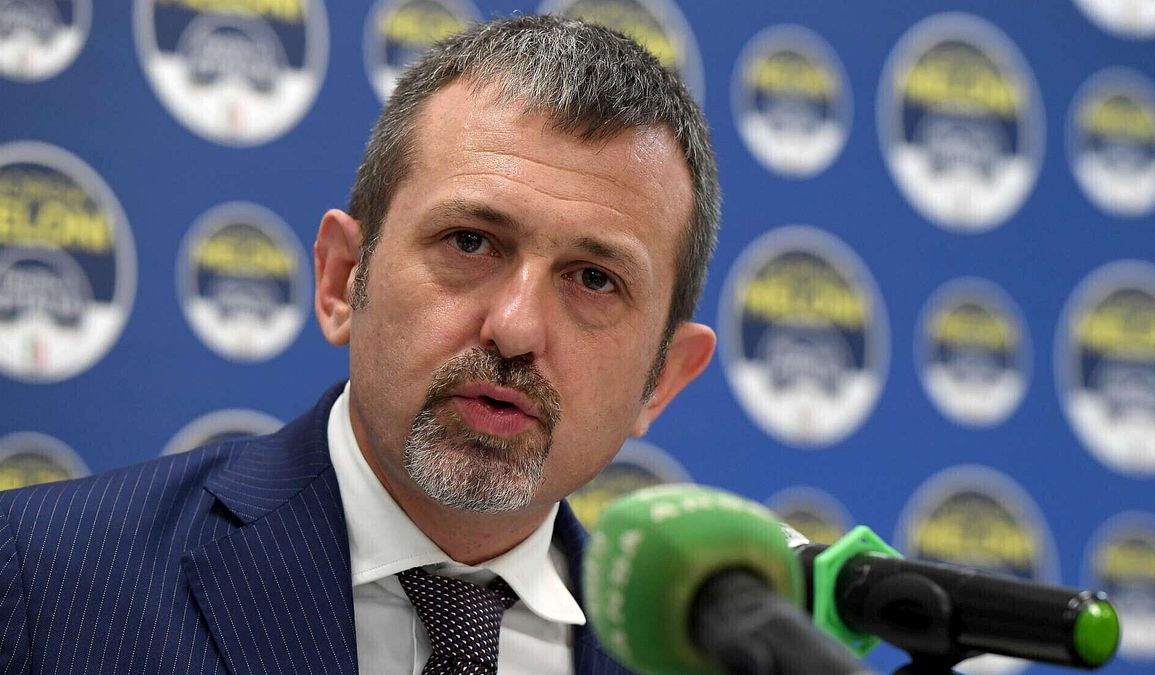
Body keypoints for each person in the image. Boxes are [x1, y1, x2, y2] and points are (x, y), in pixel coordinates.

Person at [0, 14, 719, 675]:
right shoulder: (45, 576)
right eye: (470, 242)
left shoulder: (701, 660)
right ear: (342, 278)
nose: (516, 327)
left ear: (662, 378)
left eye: (594, 279)